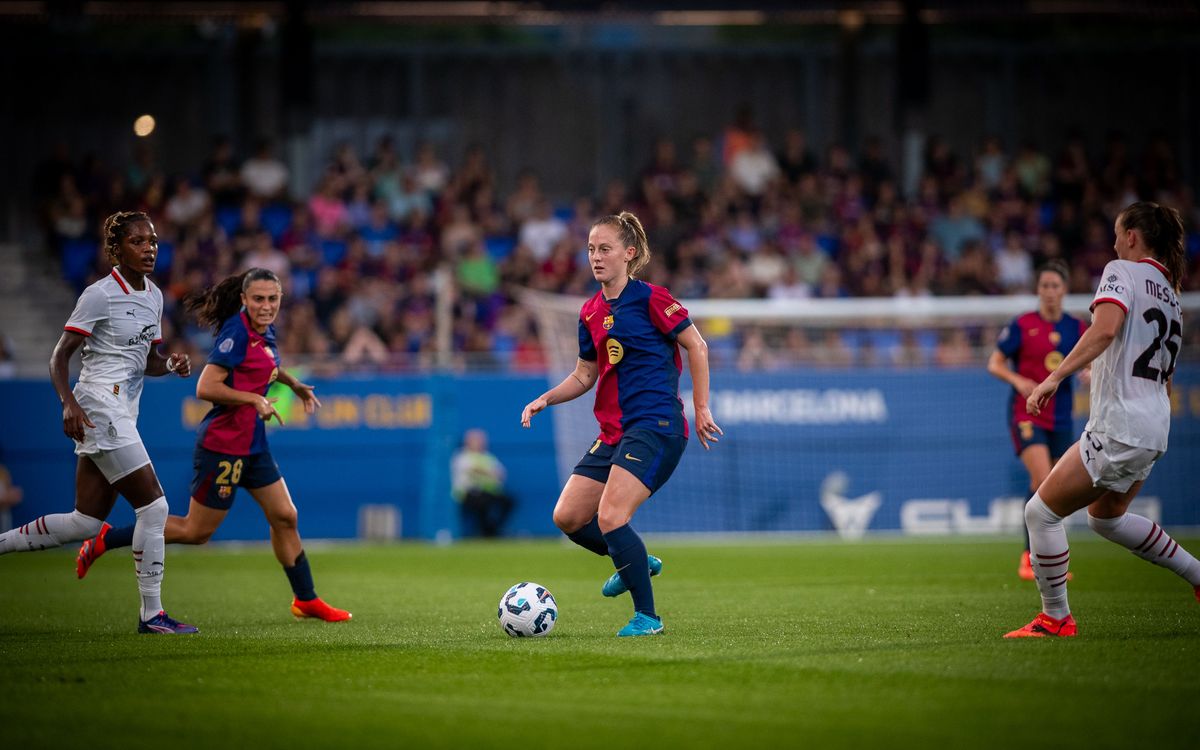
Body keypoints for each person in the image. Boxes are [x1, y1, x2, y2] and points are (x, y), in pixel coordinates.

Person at [76, 269, 351, 623]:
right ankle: (105, 540)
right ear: (244, 300)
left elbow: (265, 365)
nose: (266, 306)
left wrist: (293, 383)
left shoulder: (264, 331)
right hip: (224, 445)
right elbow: (205, 387)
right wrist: (252, 400)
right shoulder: (236, 334)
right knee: (196, 531)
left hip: (253, 444)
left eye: (272, 299)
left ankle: (306, 599)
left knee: (285, 516)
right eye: (259, 299)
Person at [521, 211, 722, 637]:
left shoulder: (651, 298)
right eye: (591, 249)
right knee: (568, 517)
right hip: (614, 433)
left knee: (611, 516)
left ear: (629, 254)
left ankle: (648, 618)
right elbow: (584, 375)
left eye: (605, 249)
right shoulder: (590, 311)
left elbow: (697, 346)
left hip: (656, 425)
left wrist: (701, 408)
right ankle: (635, 560)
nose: (596, 257)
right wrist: (546, 398)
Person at [1005, 202, 1199, 638]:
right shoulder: (1170, 293)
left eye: (1116, 233)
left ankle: (1055, 618)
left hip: (1120, 424)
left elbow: (1105, 329)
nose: (1113, 242)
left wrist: (1054, 378)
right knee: (1106, 517)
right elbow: (1165, 374)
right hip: (1155, 426)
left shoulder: (1121, 271)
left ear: (1131, 236)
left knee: (1040, 513)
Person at [0, 211, 198, 634]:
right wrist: (67, 402)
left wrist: (172, 364)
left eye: (153, 242)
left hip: (123, 409)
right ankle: (152, 614)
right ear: (116, 249)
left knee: (84, 522)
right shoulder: (99, 295)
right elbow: (59, 355)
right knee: (155, 506)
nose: (149, 249)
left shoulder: (155, 296)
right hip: (97, 403)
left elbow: (148, 362)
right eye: (138, 242)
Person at [987, 260, 1088, 580]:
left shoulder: (1076, 327)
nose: (1049, 292)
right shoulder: (1023, 325)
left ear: (1065, 290)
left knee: (1054, 490)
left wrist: (1089, 372)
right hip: (1027, 413)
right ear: (1037, 290)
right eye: (1044, 286)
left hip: (1060, 417)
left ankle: (1048, 560)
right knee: (1043, 481)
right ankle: (1028, 557)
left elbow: (1093, 359)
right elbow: (995, 363)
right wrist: (1018, 381)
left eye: (1055, 286)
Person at [451, 429, 514, 538]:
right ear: (468, 442)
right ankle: (484, 532)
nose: (480, 443)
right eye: (476, 440)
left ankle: (492, 529)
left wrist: (488, 474)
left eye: (481, 440)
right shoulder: (462, 456)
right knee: (481, 502)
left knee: (508, 501)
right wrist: (488, 473)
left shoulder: (488, 457)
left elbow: (501, 474)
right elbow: (473, 470)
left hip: (489, 491)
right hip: (467, 493)